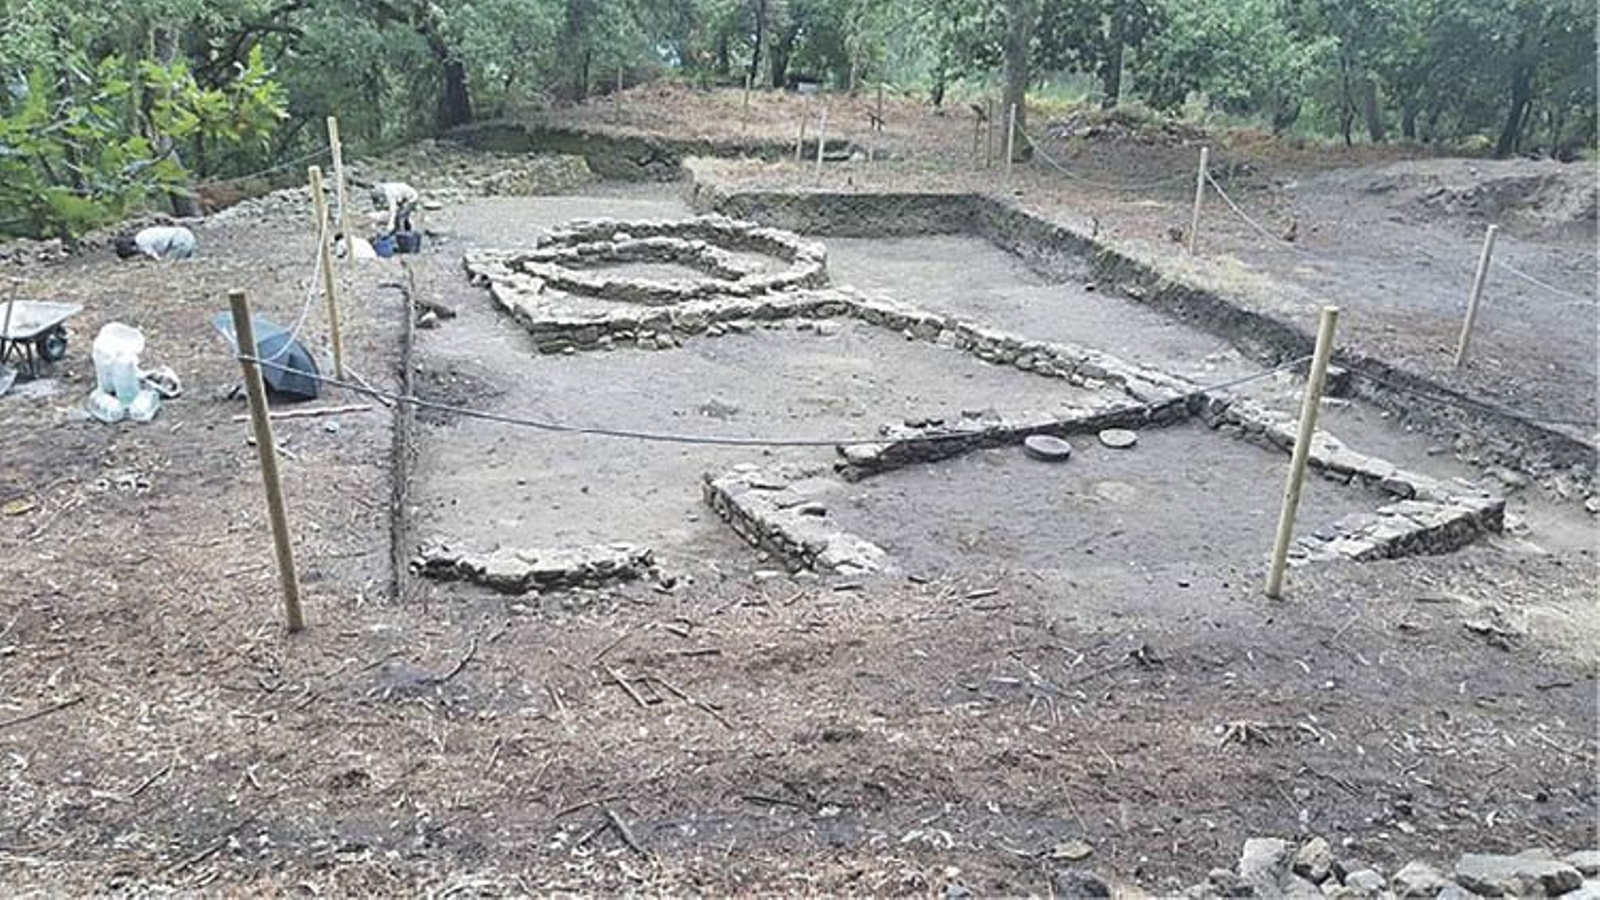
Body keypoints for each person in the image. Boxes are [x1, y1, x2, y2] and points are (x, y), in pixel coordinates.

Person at [114, 225, 198, 261]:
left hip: (179, 240)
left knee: (170, 266)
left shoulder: (142, 243)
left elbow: (156, 259)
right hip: (185, 233)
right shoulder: (142, 234)